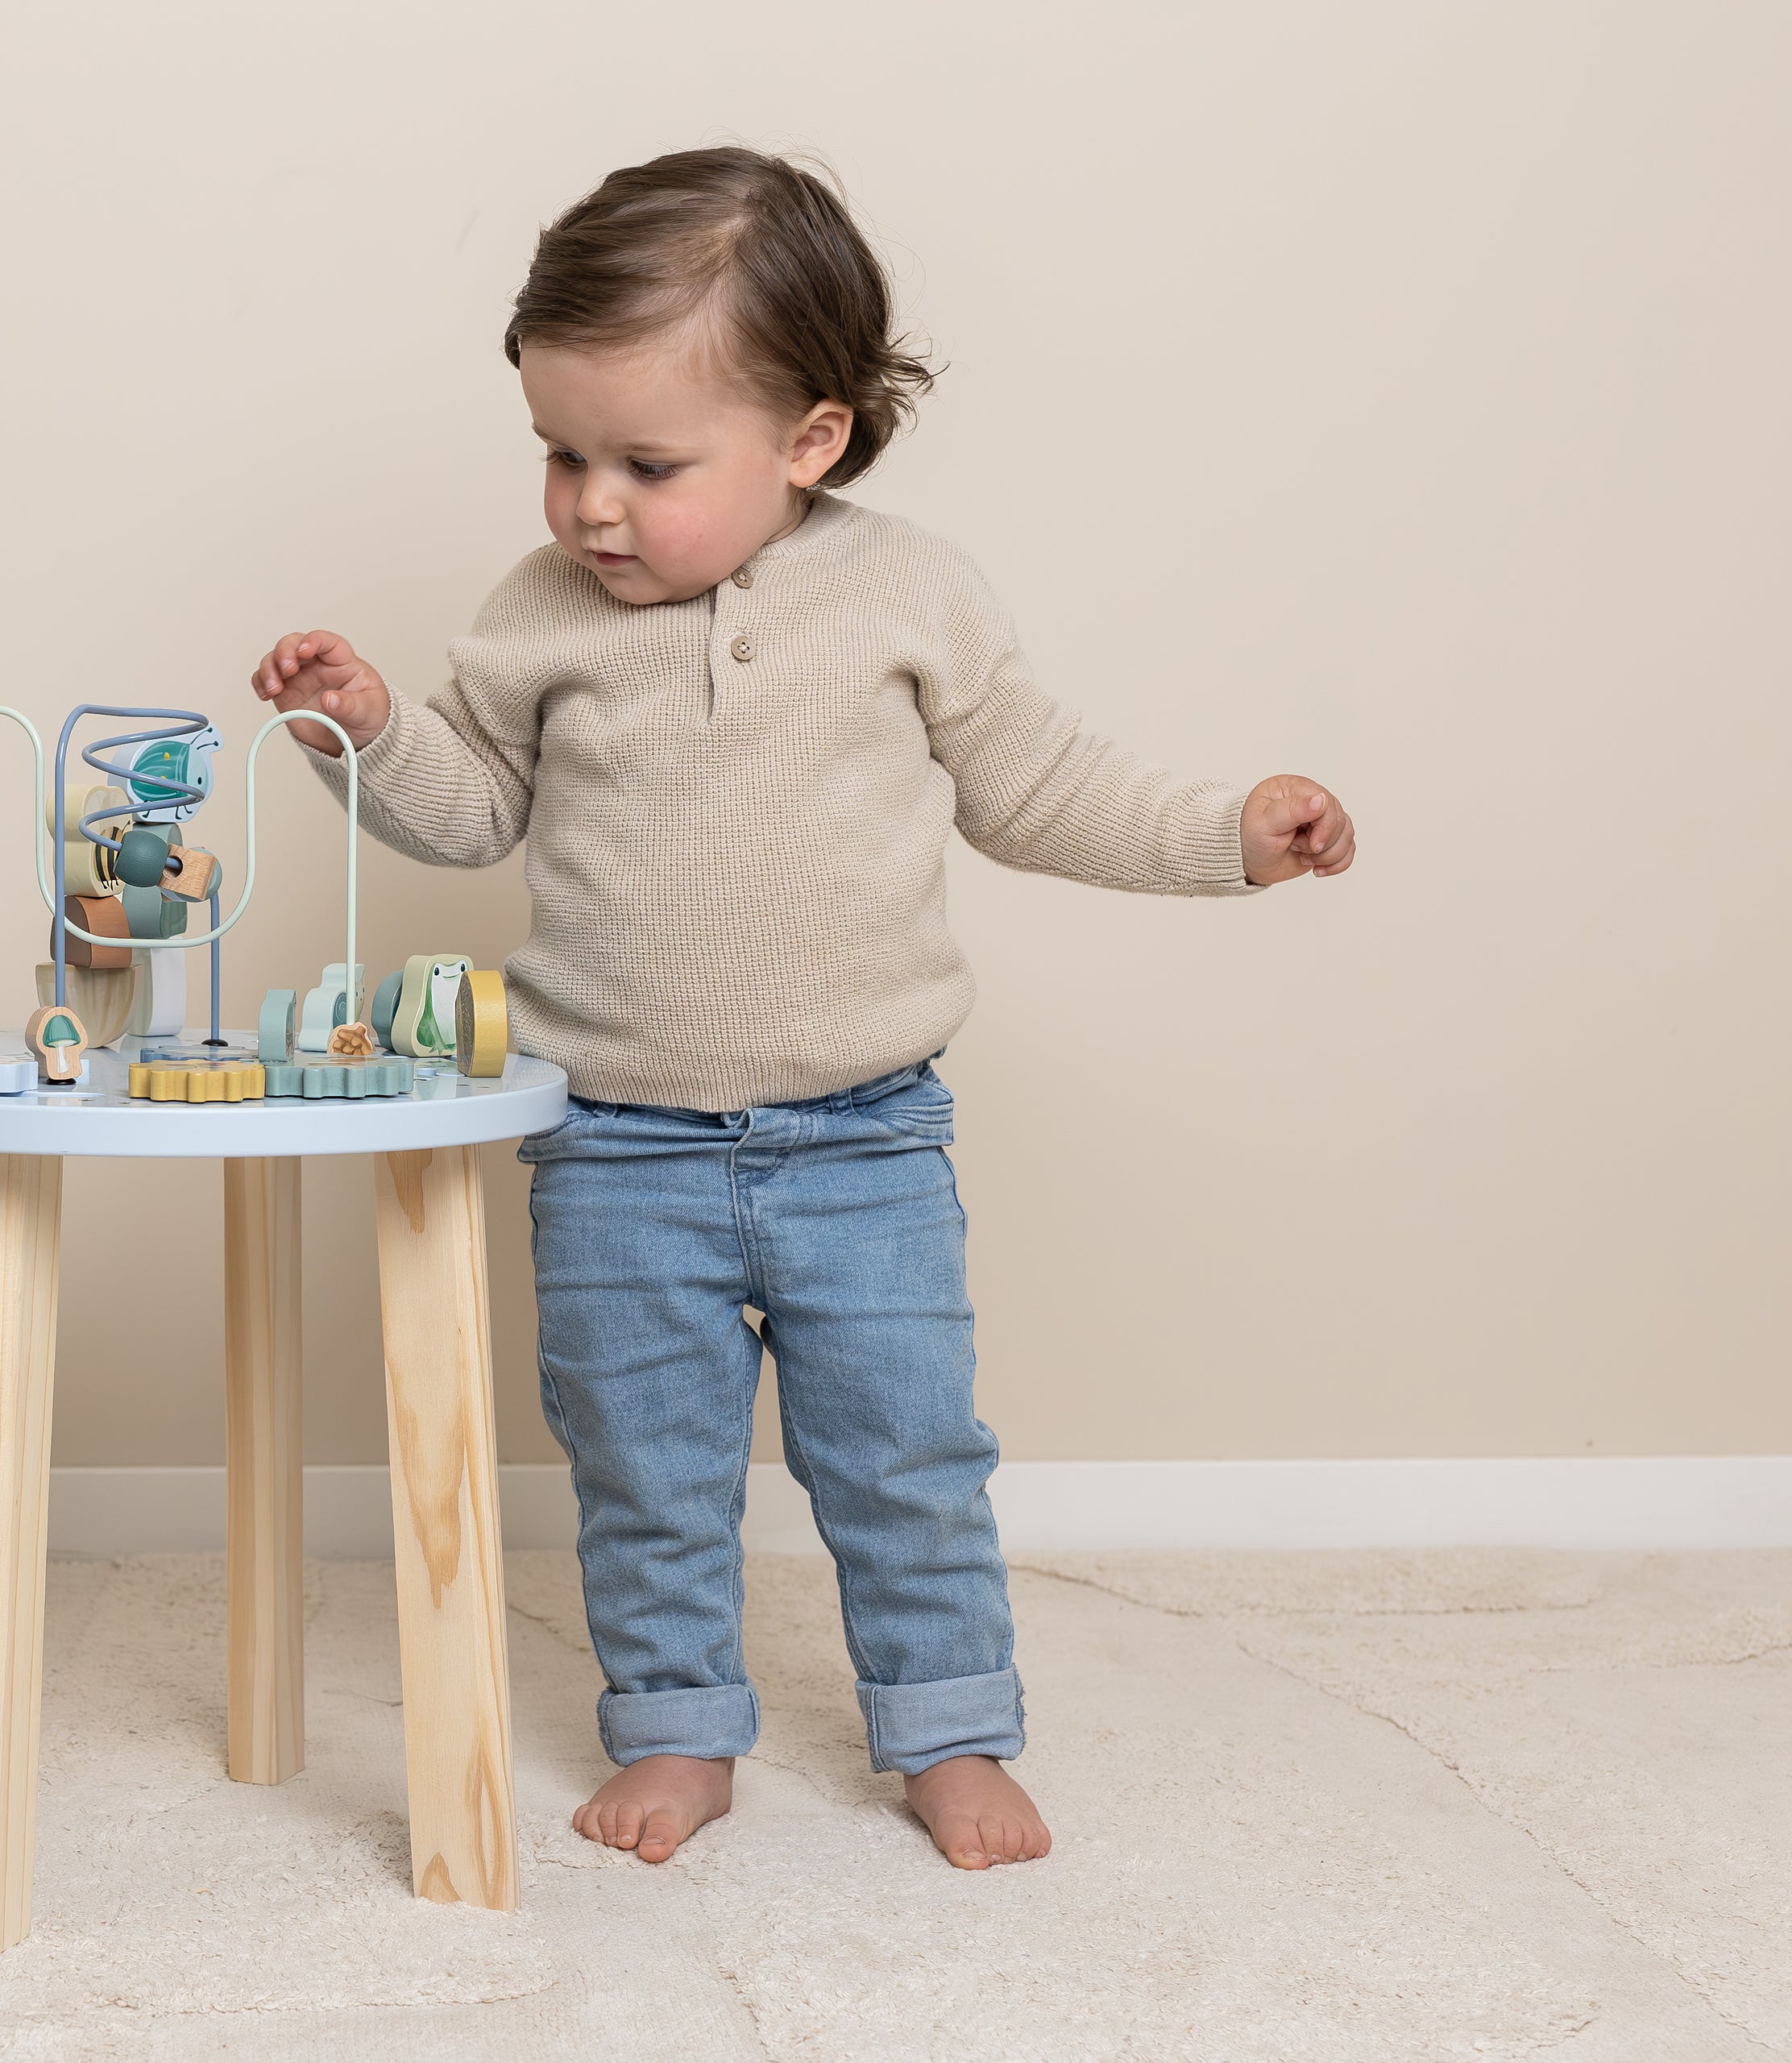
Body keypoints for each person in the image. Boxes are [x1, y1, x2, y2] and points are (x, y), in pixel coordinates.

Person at [250, 147, 1355, 1871]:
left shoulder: (910, 592)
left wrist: (1228, 835)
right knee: (646, 1472)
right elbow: (469, 812)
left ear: (809, 441)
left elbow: (1040, 785)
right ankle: (679, 1727)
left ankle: (948, 1728)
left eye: (647, 463)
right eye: (561, 453)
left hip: (864, 1134)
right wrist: (371, 729)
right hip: (614, 1141)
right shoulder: (539, 617)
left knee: (907, 1453)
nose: (592, 505)